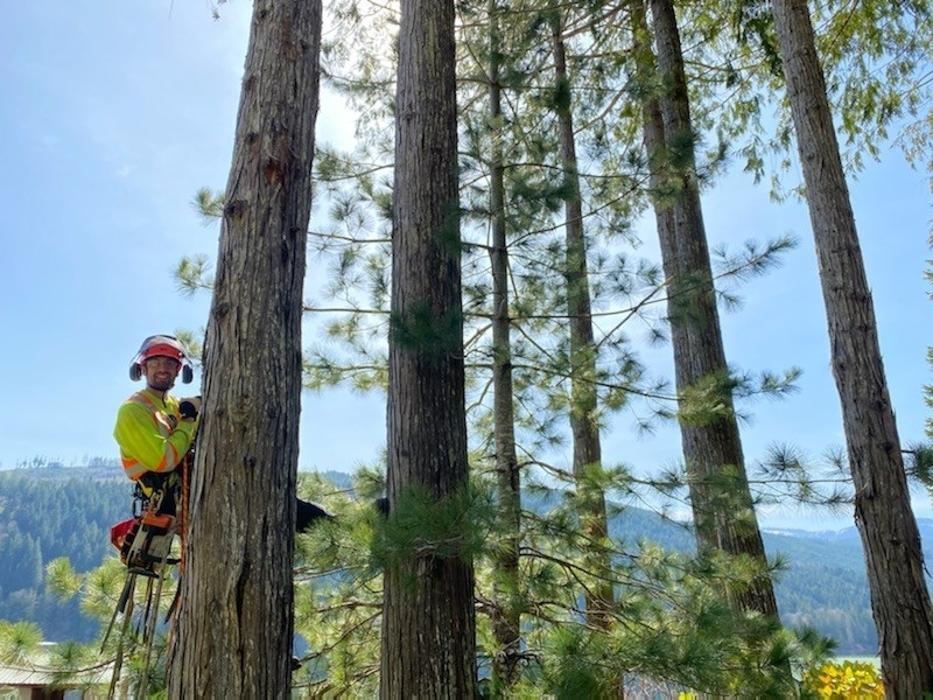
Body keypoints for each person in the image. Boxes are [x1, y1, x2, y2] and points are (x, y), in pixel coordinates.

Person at [114, 334, 331, 529]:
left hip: (198, 482)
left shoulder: (174, 406)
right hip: (170, 495)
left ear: (179, 370)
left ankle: (325, 524)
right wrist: (189, 419)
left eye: (170, 363)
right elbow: (163, 460)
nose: (163, 368)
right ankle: (324, 525)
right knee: (265, 502)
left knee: (268, 495)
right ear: (142, 368)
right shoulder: (134, 410)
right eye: (156, 362)